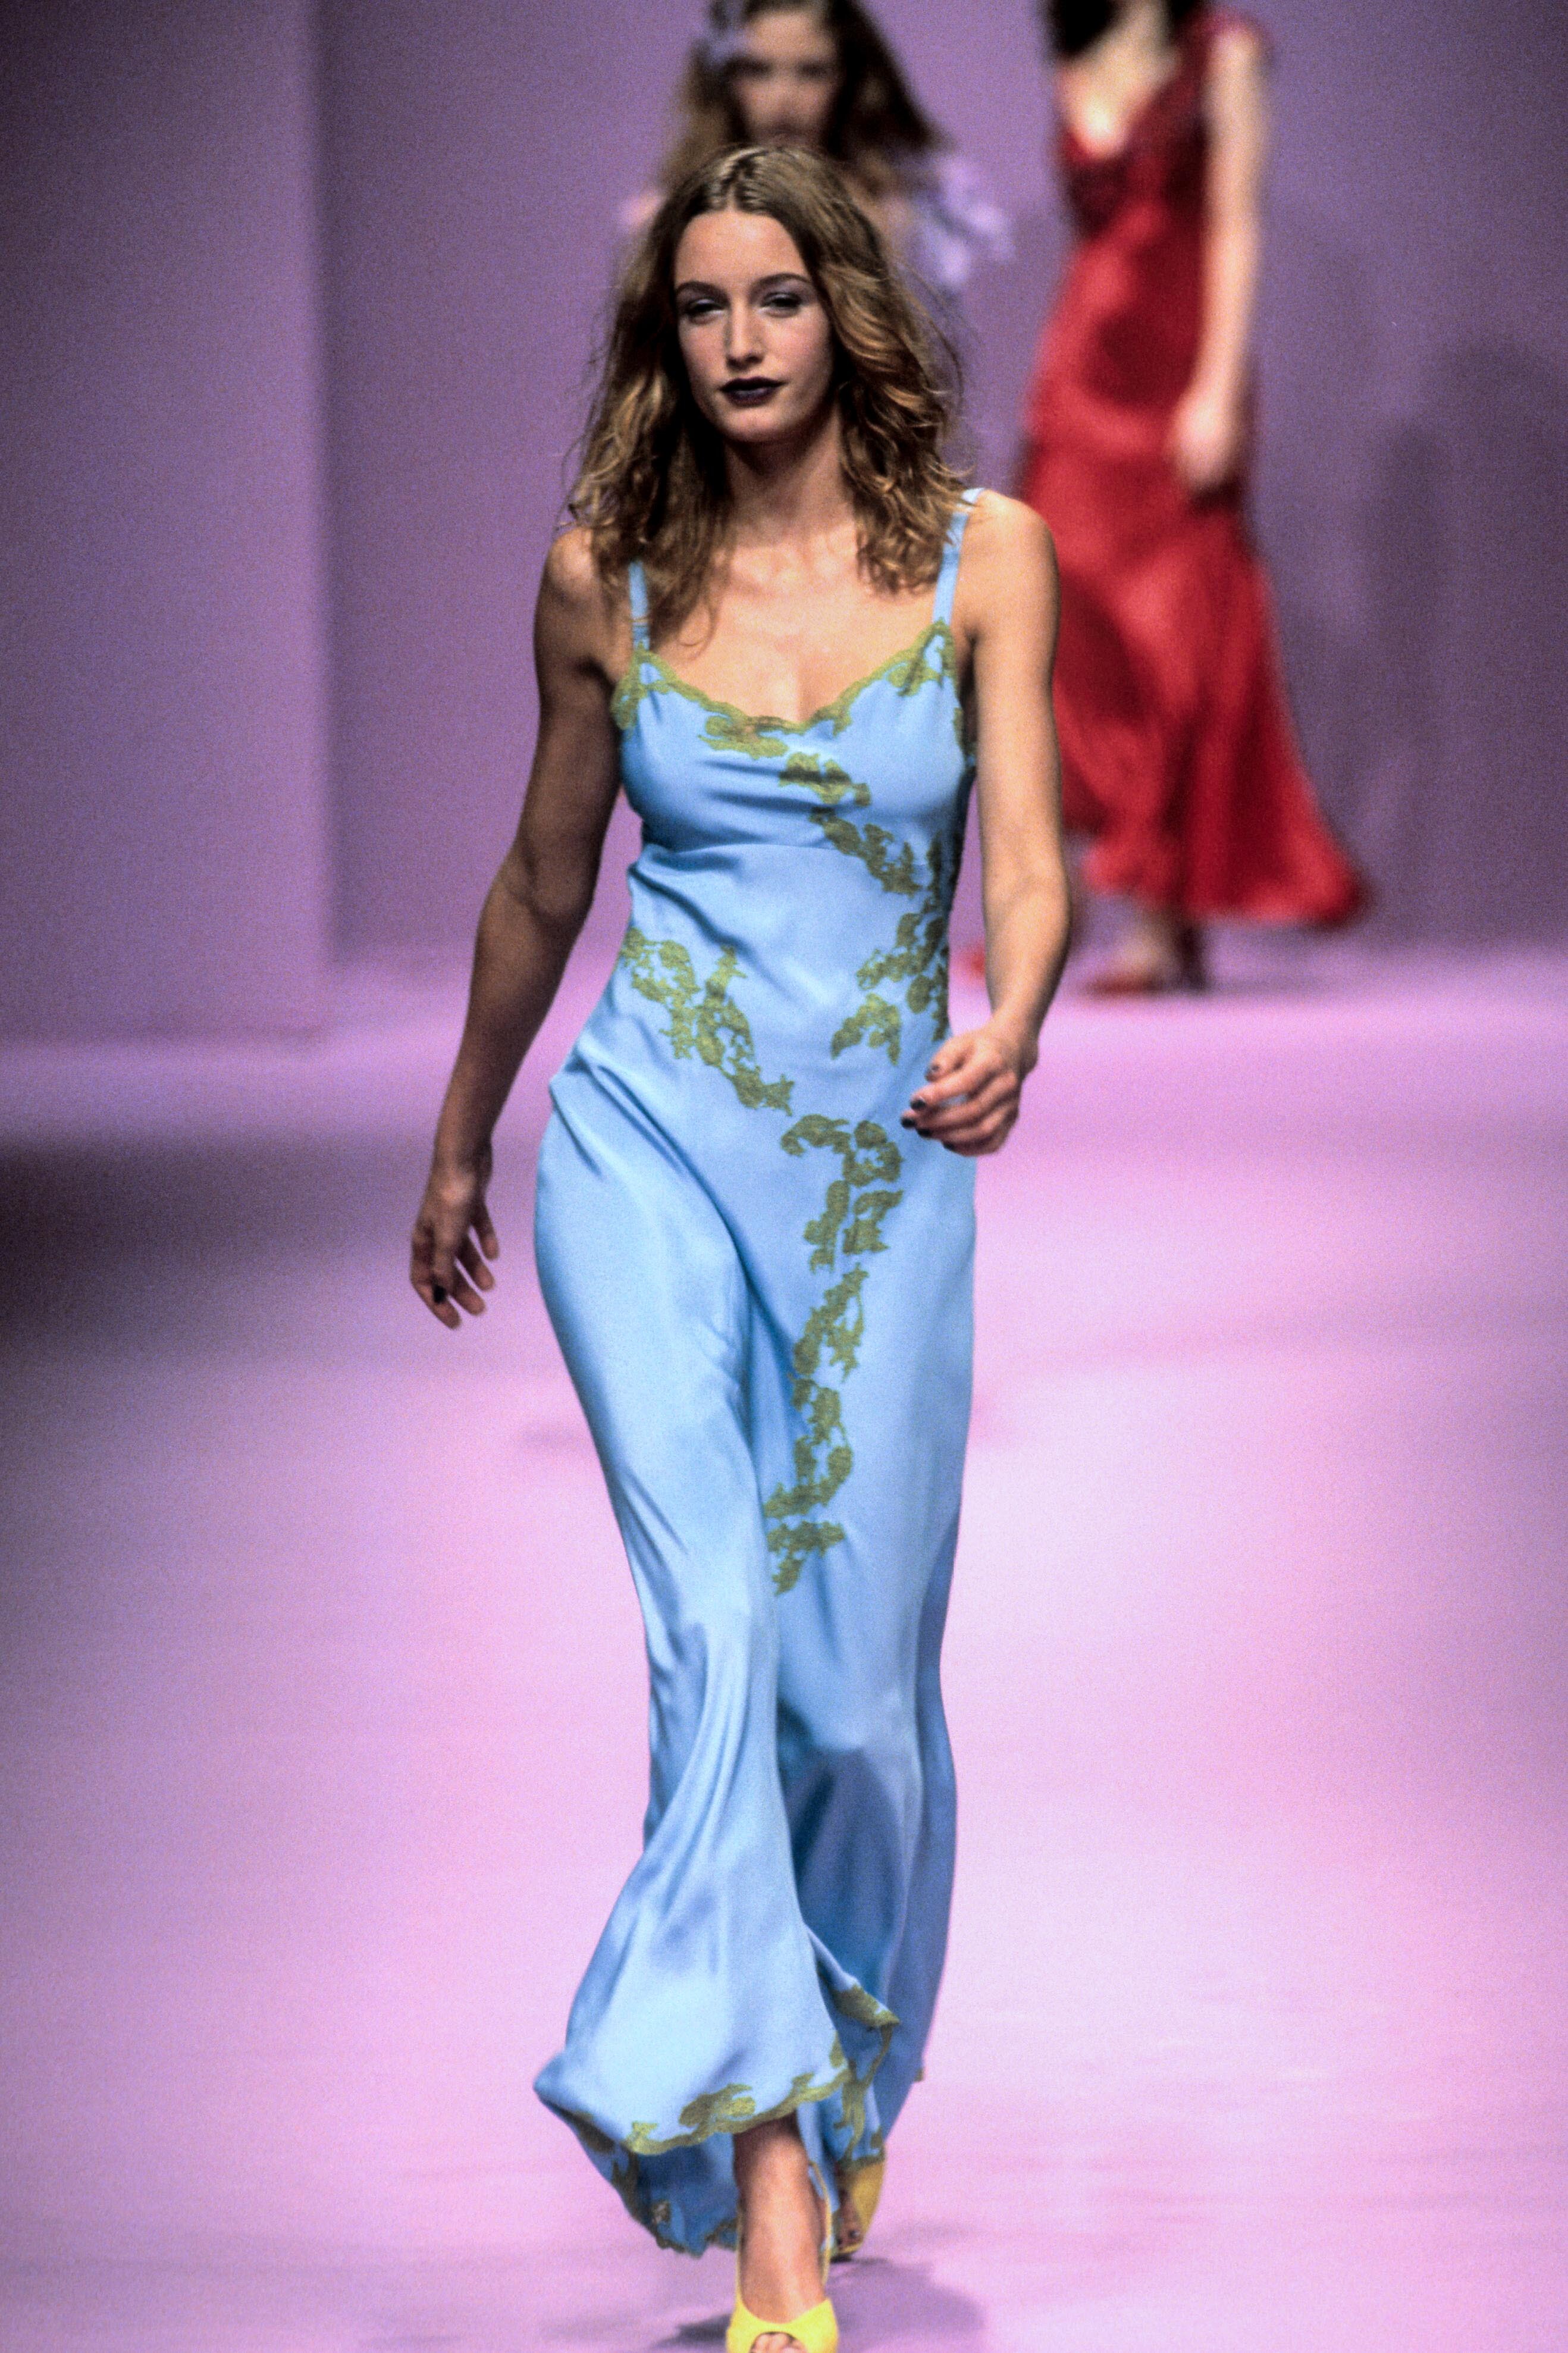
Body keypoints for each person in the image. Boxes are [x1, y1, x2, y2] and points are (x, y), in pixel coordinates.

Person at [410, 145, 1067, 2353]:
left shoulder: (986, 558)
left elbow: (1031, 854)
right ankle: (769, 2181)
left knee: (855, 1708)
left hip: (882, 1179)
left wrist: (1015, 1010)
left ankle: (846, 2049)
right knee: (710, 1634)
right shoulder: (600, 578)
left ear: (843, 312)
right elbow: (541, 878)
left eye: (774, 295)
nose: (740, 338)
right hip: (643, 1151)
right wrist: (463, 1134)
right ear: (661, 341)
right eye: (699, 307)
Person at [1018, 0, 1363, 992]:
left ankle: (1161, 915)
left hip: (1175, 372)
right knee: (1060, 625)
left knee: (1172, 627)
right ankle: (1062, 892)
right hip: (1082, 371)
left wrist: (1217, 385)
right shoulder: (1078, 53)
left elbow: (1235, 223)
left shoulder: (1226, 52)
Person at [628, 0, 1010, 321]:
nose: (784, 98)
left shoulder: (907, 209)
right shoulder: (670, 220)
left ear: (851, 78)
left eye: (812, 72)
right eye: (757, 70)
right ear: (723, 80)